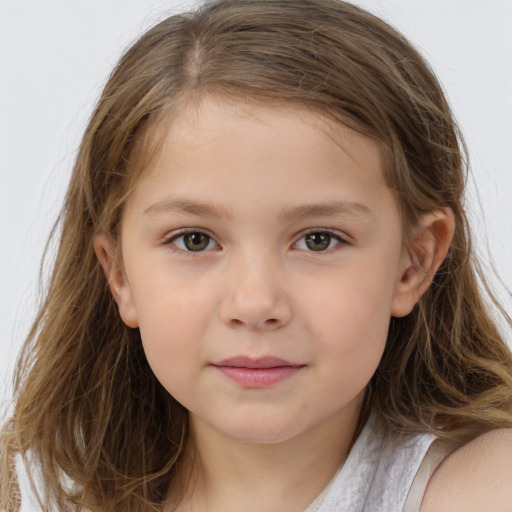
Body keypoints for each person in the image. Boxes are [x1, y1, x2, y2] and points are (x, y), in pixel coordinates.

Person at [1, 0, 512, 510]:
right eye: (194, 240)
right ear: (120, 275)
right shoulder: (32, 487)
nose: (255, 302)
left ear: (414, 263)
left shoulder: (482, 486)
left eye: (318, 239)